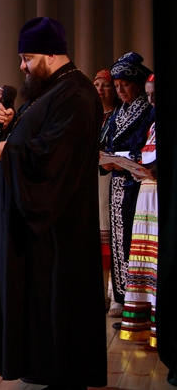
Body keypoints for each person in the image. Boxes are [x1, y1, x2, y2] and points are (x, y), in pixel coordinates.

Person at [0, 17, 106, 386]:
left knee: (57, 300)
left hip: (56, 228)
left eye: (27, 58)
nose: (22, 66)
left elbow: (55, 155)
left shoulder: (76, 94)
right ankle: (40, 367)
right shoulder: (52, 91)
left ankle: (63, 375)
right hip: (34, 225)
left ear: (51, 55)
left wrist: (9, 152)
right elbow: (34, 138)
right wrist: (6, 127)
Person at [104, 52, 155, 318]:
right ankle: (120, 295)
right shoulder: (117, 113)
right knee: (117, 239)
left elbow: (149, 148)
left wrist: (127, 159)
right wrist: (106, 161)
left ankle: (136, 299)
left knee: (134, 240)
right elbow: (108, 145)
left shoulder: (149, 111)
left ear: (138, 84)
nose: (120, 90)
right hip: (117, 183)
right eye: (116, 85)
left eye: (124, 84)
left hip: (138, 185)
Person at [119, 74, 158, 350]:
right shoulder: (152, 123)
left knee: (155, 261)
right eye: (149, 94)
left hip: (158, 197)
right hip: (145, 194)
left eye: (155, 94)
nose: (151, 100)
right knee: (143, 258)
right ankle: (142, 325)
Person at [95, 69, 119, 308]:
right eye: (97, 85)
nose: (100, 90)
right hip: (89, 177)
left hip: (111, 177)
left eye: (106, 85)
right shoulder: (89, 115)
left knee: (109, 230)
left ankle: (114, 292)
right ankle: (98, 293)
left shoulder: (118, 115)